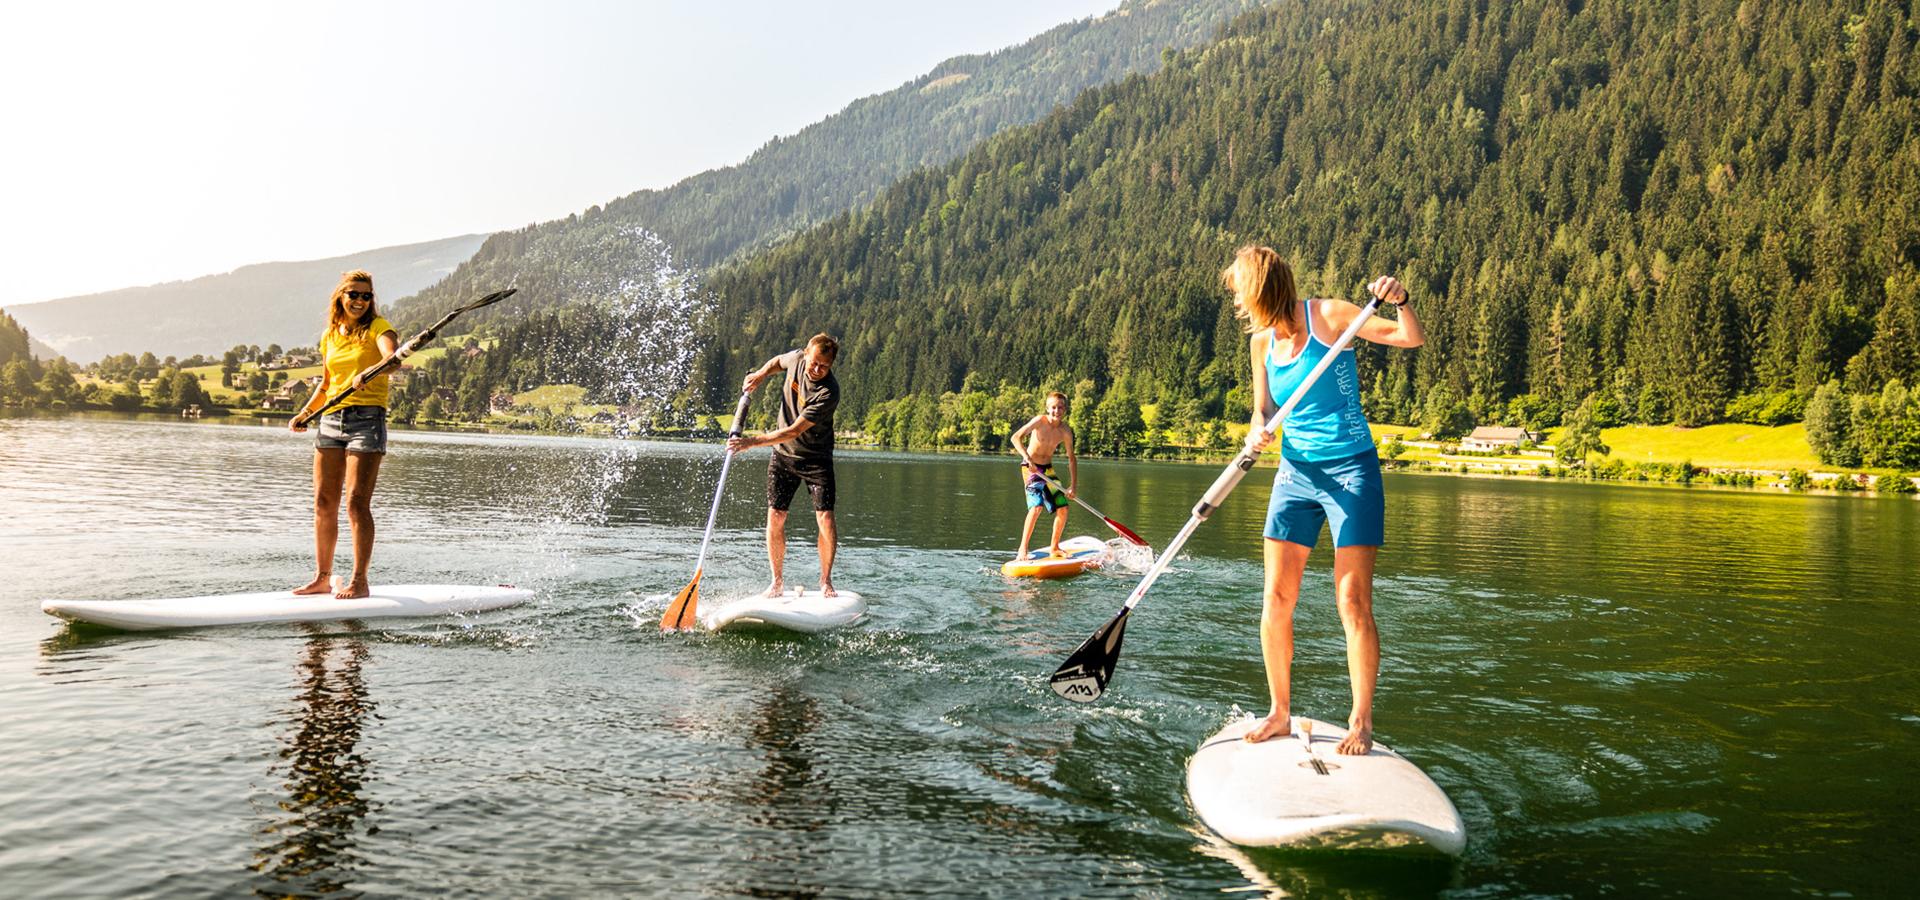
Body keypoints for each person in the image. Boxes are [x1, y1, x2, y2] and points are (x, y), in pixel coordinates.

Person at [1224, 246, 1424, 755]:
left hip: (1351, 471)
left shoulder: (1331, 317)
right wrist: (1257, 432)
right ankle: (1279, 712)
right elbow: (1263, 409)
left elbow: (1409, 337)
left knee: (1352, 602)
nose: (1239, 305)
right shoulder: (1261, 343)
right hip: (1296, 474)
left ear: (1263, 290)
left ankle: (1361, 721)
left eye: (1242, 294)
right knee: (1275, 599)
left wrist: (1400, 301)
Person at [288, 270, 399, 600]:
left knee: (356, 504)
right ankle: (322, 577)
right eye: (354, 294)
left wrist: (371, 370)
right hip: (330, 420)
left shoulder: (379, 328)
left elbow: (392, 360)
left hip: (368, 420)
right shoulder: (329, 335)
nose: (360, 301)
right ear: (340, 296)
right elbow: (325, 384)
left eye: (367, 296)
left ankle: (359, 580)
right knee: (323, 503)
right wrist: (305, 414)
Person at [728, 333, 842, 598]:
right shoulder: (797, 359)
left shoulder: (828, 392)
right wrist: (760, 374)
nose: (816, 369)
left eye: (824, 366)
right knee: (776, 517)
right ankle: (776, 581)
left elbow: (793, 430)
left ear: (831, 365)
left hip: (815, 459)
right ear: (806, 354)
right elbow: (778, 361)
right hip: (783, 457)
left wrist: (751, 442)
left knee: (824, 519)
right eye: (814, 362)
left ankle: (825, 581)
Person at [1008, 391, 1077, 559]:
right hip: (1030, 468)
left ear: (1065, 410)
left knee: (1063, 507)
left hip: (1047, 470)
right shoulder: (1039, 421)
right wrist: (1027, 458)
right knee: (1037, 506)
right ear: (1047, 408)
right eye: (1053, 407)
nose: (1056, 410)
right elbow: (1015, 438)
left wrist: (1073, 486)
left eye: (1060, 407)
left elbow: (1072, 459)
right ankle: (1022, 549)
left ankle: (1055, 547)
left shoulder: (1066, 431)